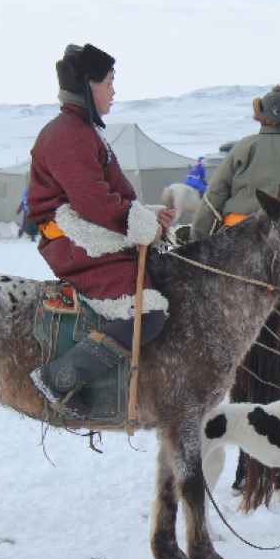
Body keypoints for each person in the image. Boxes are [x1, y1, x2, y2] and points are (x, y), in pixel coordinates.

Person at [27, 44, 174, 418]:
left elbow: (106, 198)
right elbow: (93, 203)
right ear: (88, 84)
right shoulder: (68, 134)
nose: (113, 91)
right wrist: (142, 224)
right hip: (77, 244)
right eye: (109, 82)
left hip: (90, 236)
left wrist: (150, 219)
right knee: (148, 314)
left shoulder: (80, 129)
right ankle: (58, 378)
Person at [190, 86, 280, 240]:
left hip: (238, 235)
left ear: (260, 115)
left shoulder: (241, 147)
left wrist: (197, 239)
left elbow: (213, 197)